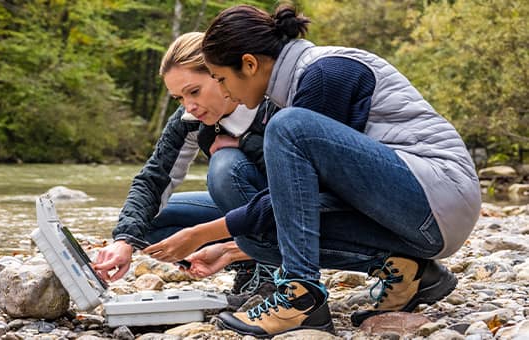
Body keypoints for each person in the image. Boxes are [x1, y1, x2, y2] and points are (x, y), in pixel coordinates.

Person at [142, 4, 481, 338]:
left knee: (288, 127)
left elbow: (292, 198)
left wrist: (203, 234)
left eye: (221, 79)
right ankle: (411, 273)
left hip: (436, 198)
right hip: (417, 216)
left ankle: (300, 297)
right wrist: (233, 244)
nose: (225, 91)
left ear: (249, 64)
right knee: (258, 237)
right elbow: (297, 202)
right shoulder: (296, 85)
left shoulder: (324, 73)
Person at [90, 32, 280, 301]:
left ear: (219, 73)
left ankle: (274, 268)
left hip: (290, 211)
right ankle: (249, 264)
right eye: (178, 97)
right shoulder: (191, 117)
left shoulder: (272, 101)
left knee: (225, 166)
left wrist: (242, 142)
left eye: (194, 91)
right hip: (242, 214)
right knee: (147, 222)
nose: (189, 106)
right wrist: (124, 241)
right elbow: (153, 179)